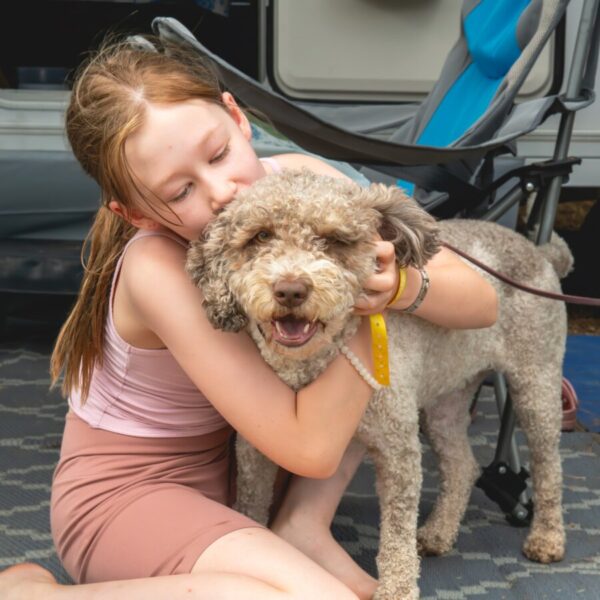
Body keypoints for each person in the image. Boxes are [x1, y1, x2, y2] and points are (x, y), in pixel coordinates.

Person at [0, 35, 497, 600]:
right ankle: (33, 594)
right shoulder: (156, 267)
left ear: (237, 117)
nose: (221, 192)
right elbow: (309, 448)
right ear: (135, 212)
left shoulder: (302, 178)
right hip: (132, 497)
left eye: (217, 155)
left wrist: (400, 284)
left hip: (244, 471)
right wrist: (363, 304)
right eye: (181, 189)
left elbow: (481, 302)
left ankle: (300, 527)